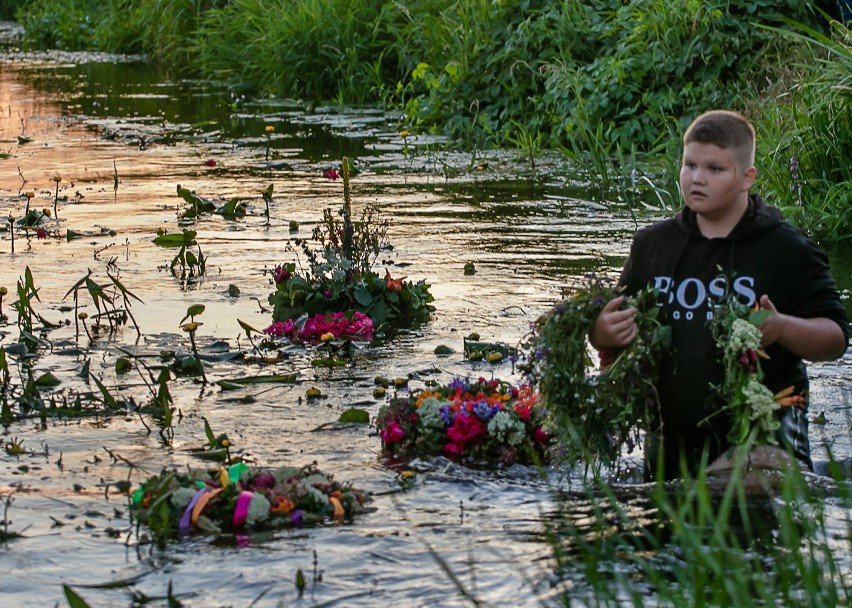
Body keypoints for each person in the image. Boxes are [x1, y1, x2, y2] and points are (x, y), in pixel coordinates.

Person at [590, 110, 850, 481]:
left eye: (715, 169)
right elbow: (612, 328)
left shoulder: (787, 249)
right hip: (671, 436)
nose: (697, 178)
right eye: (690, 164)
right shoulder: (652, 245)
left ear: (747, 178)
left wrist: (780, 327)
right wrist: (602, 330)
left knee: (740, 512)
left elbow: (836, 338)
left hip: (763, 434)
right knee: (671, 530)